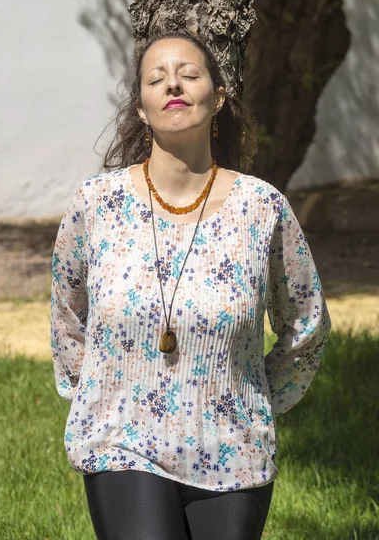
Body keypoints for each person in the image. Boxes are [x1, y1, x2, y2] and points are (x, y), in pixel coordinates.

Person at [50, 30, 331, 540]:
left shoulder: (262, 209)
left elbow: (306, 324)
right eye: (156, 79)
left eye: (189, 74)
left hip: (233, 444)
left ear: (218, 96)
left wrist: (258, 397)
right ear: (141, 107)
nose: (172, 85)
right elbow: (67, 314)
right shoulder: (96, 205)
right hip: (122, 439)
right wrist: (95, 394)